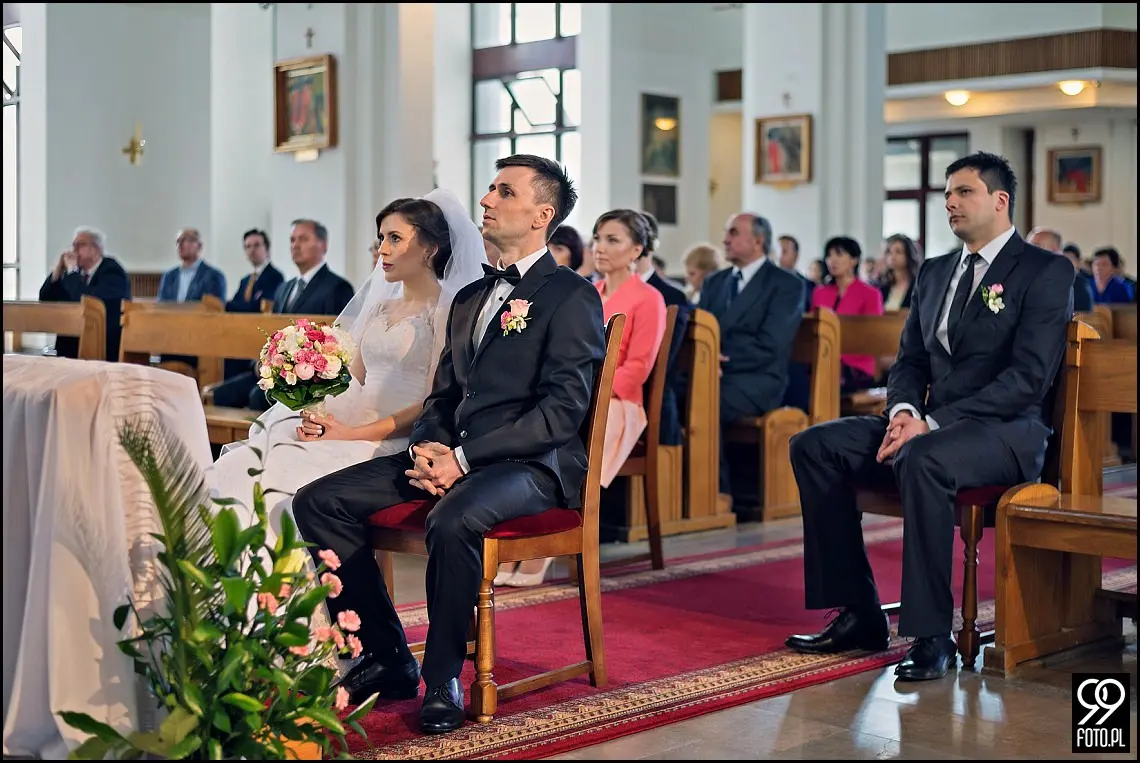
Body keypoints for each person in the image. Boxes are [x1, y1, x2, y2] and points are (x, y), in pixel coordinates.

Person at [291, 154, 606, 734]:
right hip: (450, 456)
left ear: (542, 214)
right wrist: (428, 450)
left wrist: (462, 460)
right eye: (488, 189)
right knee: (317, 502)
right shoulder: (468, 299)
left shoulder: (572, 297)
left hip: (529, 467)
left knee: (455, 519)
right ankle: (385, 654)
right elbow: (442, 396)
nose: (486, 200)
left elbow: (562, 412)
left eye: (503, 192)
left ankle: (442, 677)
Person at [784, 151, 1074, 682]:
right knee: (814, 446)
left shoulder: (1045, 271)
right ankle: (859, 614)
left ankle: (932, 635)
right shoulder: (938, 271)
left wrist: (930, 426)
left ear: (999, 200)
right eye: (946, 194)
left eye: (963, 192)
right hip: (929, 425)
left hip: (1005, 432)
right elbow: (911, 359)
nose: (950, 203)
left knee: (922, 457)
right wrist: (902, 410)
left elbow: (1027, 379)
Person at [204, 189, 485, 656]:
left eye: (395, 239)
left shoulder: (447, 313)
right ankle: (227, 616)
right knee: (243, 465)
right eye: (380, 239)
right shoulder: (378, 308)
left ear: (430, 249)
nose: (382, 250)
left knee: (280, 484)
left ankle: (290, 639)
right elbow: (348, 381)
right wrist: (317, 413)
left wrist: (351, 433)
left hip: (392, 443)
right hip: (348, 428)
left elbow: (434, 403)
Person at [38, 226, 131, 361]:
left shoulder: (112, 271)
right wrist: (56, 272)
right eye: (73, 245)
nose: (74, 250)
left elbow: (88, 301)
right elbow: (45, 299)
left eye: (80, 245)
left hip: (102, 344)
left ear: (96, 249)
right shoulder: (73, 273)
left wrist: (72, 272)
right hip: (70, 343)